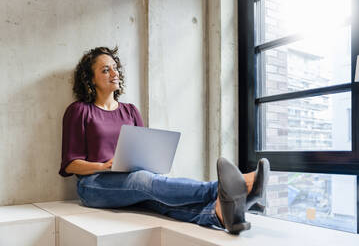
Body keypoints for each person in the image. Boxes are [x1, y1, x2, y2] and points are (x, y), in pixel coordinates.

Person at [59, 46, 270, 234]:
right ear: (90, 79)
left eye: (115, 67)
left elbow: (141, 151)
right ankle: (230, 188)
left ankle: (219, 215)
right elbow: (70, 165)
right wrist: (103, 166)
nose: (114, 73)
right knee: (143, 181)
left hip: (130, 180)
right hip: (93, 185)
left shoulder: (130, 111)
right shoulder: (79, 111)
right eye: (105, 70)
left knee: (157, 200)